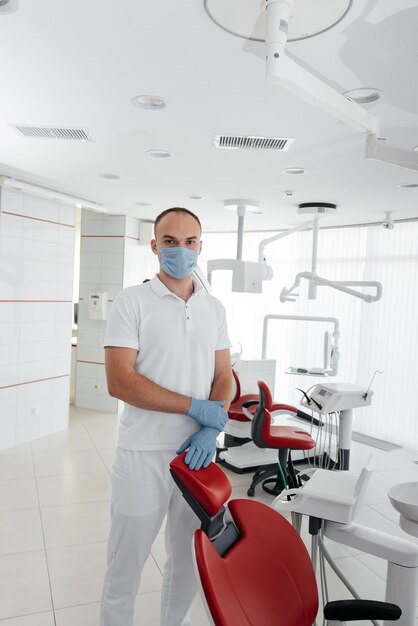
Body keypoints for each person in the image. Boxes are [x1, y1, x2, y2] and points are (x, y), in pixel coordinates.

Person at [100, 207, 232, 626]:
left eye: (190, 241)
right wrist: (194, 407)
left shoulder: (214, 307)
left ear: (201, 246)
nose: (181, 250)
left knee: (187, 562)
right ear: (155, 247)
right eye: (170, 242)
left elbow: (224, 375)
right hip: (143, 453)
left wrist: (210, 426)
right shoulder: (131, 301)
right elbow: (120, 382)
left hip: (197, 457)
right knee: (126, 567)